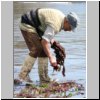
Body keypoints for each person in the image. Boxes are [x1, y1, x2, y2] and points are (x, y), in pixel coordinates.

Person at [18, 8, 79, 85]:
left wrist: (51, 40)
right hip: (27, 22)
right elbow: (44, 42)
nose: (70, 30)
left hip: (37, 26)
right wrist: (51, 57)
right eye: (70, 27)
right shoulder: (56, 24)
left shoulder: (61, 19)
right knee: (37, 49)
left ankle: (44, 79)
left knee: (44, 51)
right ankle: (22, 76)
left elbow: (47, 28)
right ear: (67, 21)